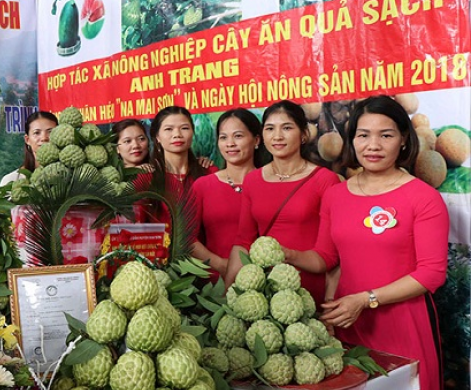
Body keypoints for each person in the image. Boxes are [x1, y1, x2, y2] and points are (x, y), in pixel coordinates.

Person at [285, 95, 448, 390]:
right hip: (349, 324)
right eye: (363, 135)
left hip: (403, 327)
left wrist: (365, 299)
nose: (373, 145)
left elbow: (431, 273)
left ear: (402, 140)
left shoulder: (424, 197)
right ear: (352, 139)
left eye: (385, 135)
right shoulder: (336, 194)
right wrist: (287, 254)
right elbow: (326, 257)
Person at [225, 100, 340, 305]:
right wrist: (228, 294)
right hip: (265, 292)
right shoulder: (253, 180)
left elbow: (329, 257)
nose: (277, 136)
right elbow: (243, 242)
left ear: (304, 134)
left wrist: (286, 255)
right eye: (270, 128)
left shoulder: (325, 180)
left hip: (308, 292)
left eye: (287, 128)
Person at [190, 109, 263, 280]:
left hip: (266, 282)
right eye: (223, 137)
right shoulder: (203, 185)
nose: (230, 143)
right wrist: (223, 266)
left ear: (256, 140)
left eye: (238, 136)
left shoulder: (271, 184)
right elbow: (188, 239)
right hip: (213, 287)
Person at [136, 106, 218, 225]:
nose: (177, 134)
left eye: (184, 128)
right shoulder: (146, 177)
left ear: (192, 133)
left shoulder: (209, 173)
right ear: (157, 137)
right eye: (169, 129)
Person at [0, 111, 58, 186]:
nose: (44, 138)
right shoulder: (12, 180)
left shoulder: (71, 178)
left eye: (50, 132)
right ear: (27, 140)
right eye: (37, 133)